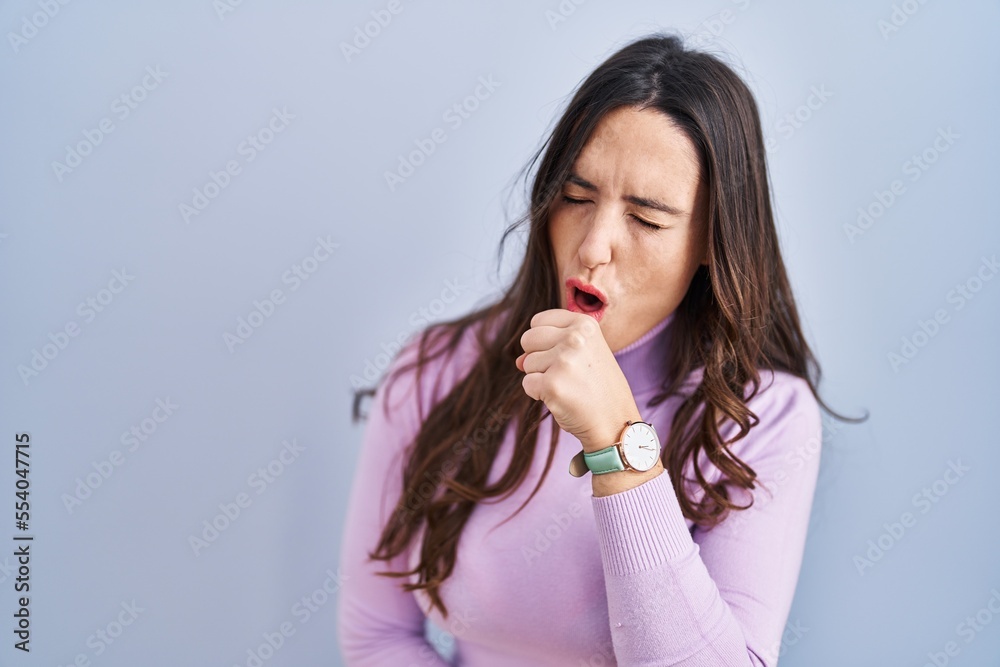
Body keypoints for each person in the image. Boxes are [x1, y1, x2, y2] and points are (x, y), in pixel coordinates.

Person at [338, 31, 862, 666]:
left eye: (646, 220)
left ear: (711, 245)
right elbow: (376, 637)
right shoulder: (435, 372)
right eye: (576, 197)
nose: (593, 246)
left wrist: (618, 443)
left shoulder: (768, 418)